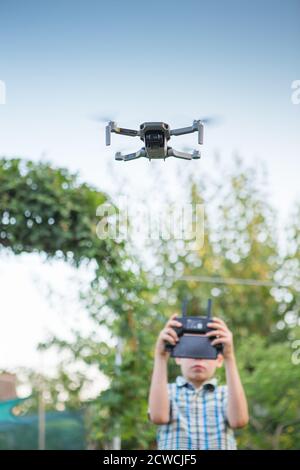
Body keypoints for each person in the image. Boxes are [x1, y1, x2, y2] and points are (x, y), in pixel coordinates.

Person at [148, 313, 249, 449]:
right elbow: (158, 417)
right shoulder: (166, 392)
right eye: (191, 348)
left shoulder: (225, 394)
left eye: (205, 349)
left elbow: (239, 421)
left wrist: (229, 357)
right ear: (178, 356)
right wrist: (160, 356)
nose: (198, 358)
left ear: (219, 360)